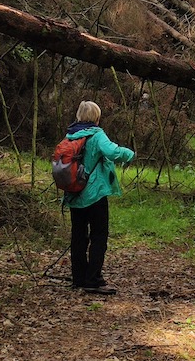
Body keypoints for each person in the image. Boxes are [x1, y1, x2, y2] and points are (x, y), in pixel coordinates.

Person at [62, 100, 135, 295]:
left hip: (74, 194)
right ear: (96, 117)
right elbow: (112, 152)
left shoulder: (70, 135)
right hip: (95, 194)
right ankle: (93, 279)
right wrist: (129, 154)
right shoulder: (96, 134)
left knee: (78, 235)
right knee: (99, 236)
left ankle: (79, 277)